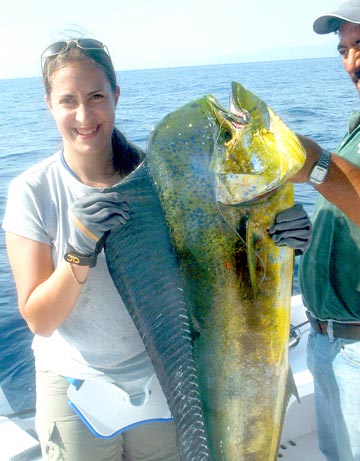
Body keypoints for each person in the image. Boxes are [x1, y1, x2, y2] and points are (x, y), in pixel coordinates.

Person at [2, 37, 312, 461]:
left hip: (169, 380)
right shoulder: (32, 191)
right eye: (68, 100)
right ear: (49, 105)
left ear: (116, 95)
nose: (84, 114)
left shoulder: (168, 183)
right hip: (78, 387)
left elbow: (217, 271)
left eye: (96, 96)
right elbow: (39, 319)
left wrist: (279, 245)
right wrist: (77, 251)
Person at [290, 1, 360, 460]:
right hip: (327, 342)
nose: (352, 63)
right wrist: (304, 241)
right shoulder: (357, 127)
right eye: (345, 49)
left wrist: (316, 166)